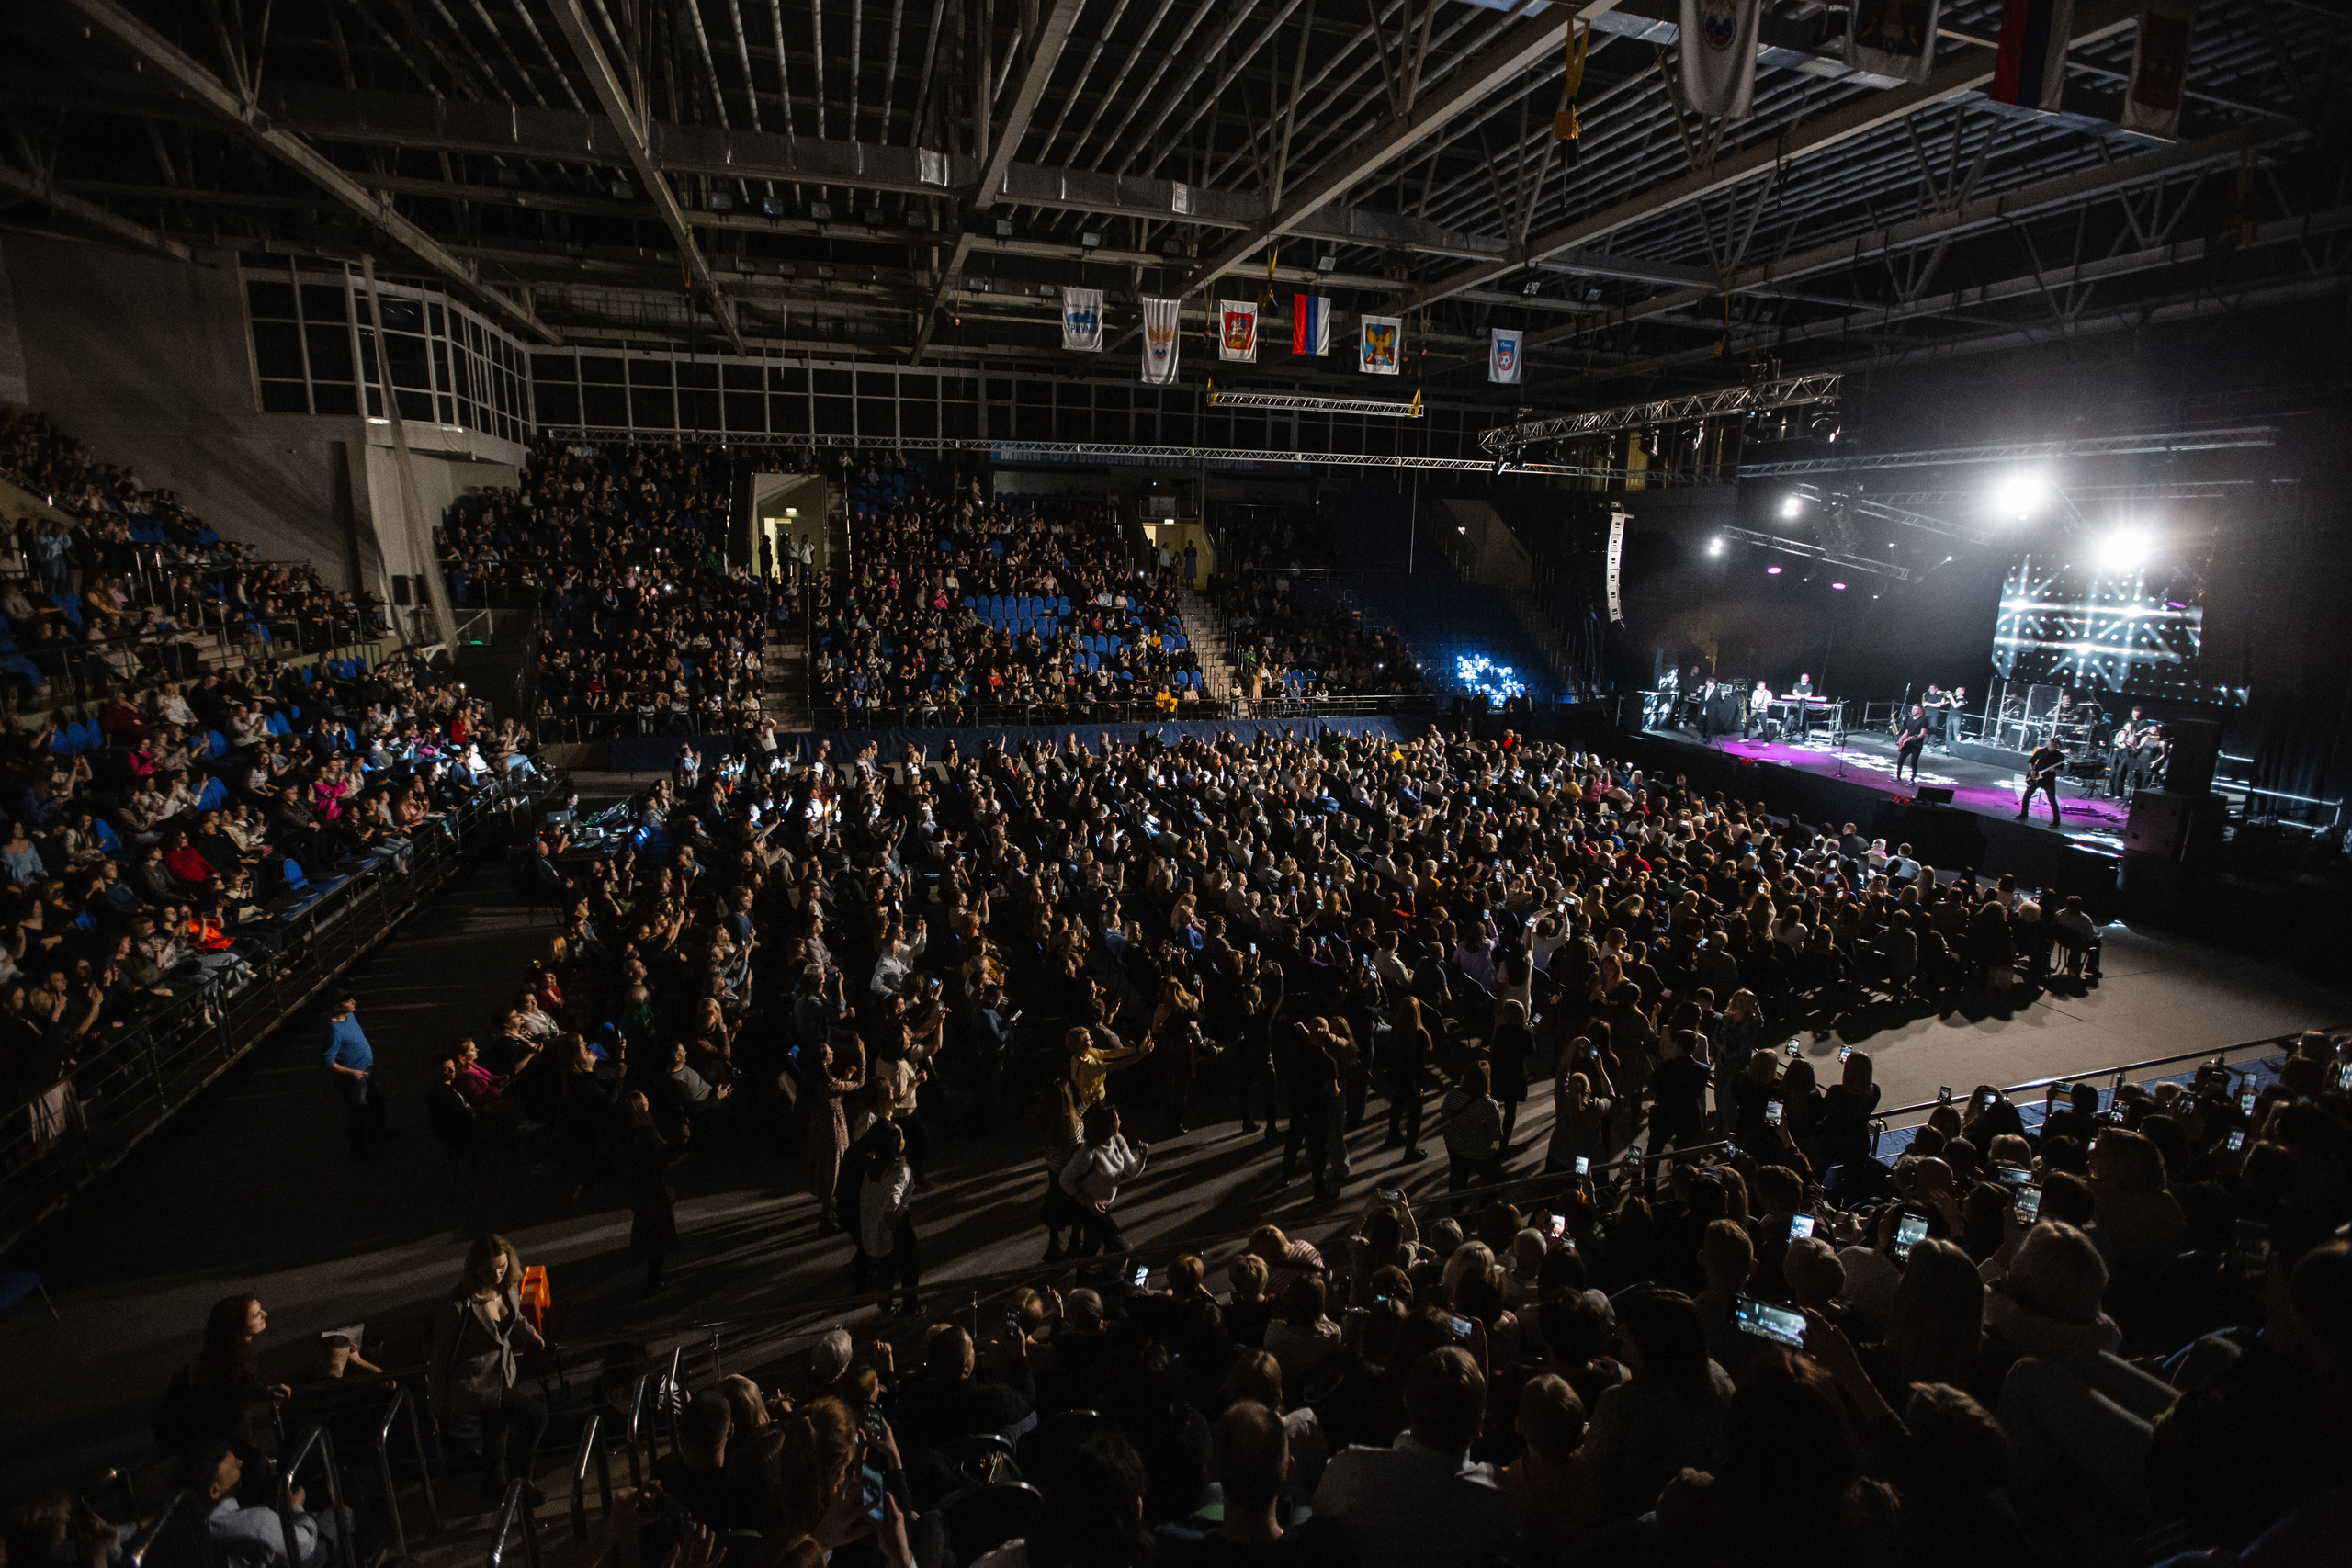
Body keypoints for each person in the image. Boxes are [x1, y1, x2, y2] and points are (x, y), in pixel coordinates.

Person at [1308, 1345, 1521, 1567]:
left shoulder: (1348, 1471)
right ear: (1479, 1426)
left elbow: (1318, 1514)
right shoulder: (1501, 1499)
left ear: (1407, 1402)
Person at [429, 1235, 550, 1505]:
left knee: (497, 1432)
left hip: (502, 1375)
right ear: (474, 1269)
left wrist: (530, 1335)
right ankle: (522, 1482)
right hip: (475, 1385)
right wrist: (438, 1402)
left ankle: (495, 1489)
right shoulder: (459, 1303)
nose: (496, 1274)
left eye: (502, 1267)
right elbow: (440, 1358)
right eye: (488, 1270)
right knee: (536, 1415)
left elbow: (515, 1317)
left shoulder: (507, 1286)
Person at [578, 1090, 686, 1295]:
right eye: (645, 1098)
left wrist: (585, 1182)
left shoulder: (619, 1131)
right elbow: (660, 1157)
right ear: (639, 1105)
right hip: (654, 1189)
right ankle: (653, 1281)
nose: (648, 1100)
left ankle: (650, 1273)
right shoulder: (646, 1129)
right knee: (659, 1233)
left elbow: (603, 1159)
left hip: (635, 1190)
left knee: (647, 1229)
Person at [1060, 1101, 1148, 1259]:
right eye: (1117, 1118)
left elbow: (1131, 1170)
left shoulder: (1117, 1140)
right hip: (1089, 1210)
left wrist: (1142, 1159)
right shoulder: (1087, 1154)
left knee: (1090, 1250)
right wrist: (1087, 1200)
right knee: (1120, 1246)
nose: (1120, 1121)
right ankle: (1138, 1280)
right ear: (1107, 1125)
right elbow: (1064, 1180)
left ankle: (1082, 1280)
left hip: (1103, 1207)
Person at [319, 994, 389, 1158]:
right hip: (354, 1078)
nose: (353, 1002)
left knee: (377, 1100)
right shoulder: (333, 1030)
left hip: (367, 1069)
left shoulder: (350, 1016)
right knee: (359, 1112)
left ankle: (377, 1133)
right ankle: (359, 1150)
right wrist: (352, 1072)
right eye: (348, 1001)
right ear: (337, 1007)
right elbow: (327, 1062)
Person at [2016, 740, 2064, 826]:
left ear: (2057, 746)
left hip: (2049, 780)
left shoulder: (2059, 756)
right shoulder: (2041, 751)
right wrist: (2032, 770)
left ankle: (2056, 821)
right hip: (2037, 777)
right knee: (2027, 795)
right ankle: (2024, 814)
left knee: (2052, 800)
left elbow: (2060, 770)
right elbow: (2031, 761)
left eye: (2054, 745)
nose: (2052, 747)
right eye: (2051, 744)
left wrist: (2054, 770)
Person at [1895, 704, 1929, 783]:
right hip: (1907, 744)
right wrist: (1902, 738)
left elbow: (1923, 733)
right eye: (1913, 709)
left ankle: (1912, 779)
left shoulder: (1923, 720)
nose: (1913, 710)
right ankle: (1898, 777)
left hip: (1916, 745)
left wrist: (1915, 737)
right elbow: (1907, 731)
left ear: (1920, 711)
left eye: (1915, 709)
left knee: (1913, 762)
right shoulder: (1909, 719)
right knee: (1900, 760)